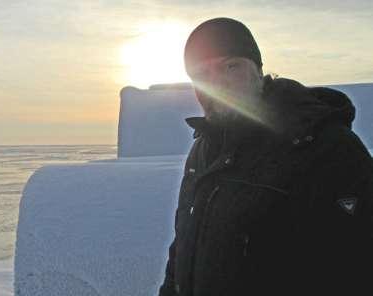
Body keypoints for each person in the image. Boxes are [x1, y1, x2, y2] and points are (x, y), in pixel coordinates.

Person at [158, 17, 372, 296]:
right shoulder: (204, 150)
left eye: (231, 66)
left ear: (258, 70)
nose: (217, 83)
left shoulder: (326, 149)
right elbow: (184, 248)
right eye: (201, 74)